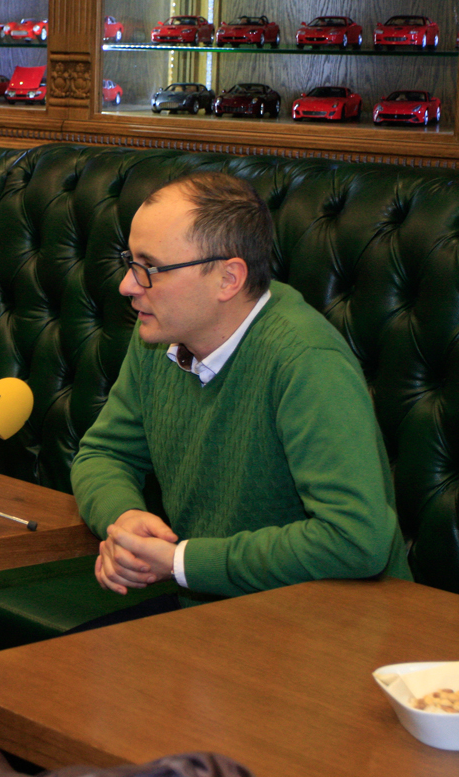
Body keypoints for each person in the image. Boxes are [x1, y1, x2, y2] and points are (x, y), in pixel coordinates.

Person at [70, 170, 411, 613]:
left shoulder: (305, 360)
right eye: (130, 261)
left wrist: (182, 562)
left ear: (228, 279)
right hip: (214, 613)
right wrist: (125, 521)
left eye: (150, 268)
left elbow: (355, 539)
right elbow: (104, 454)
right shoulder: (160, 332)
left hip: (340, 625)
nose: (128, 285)